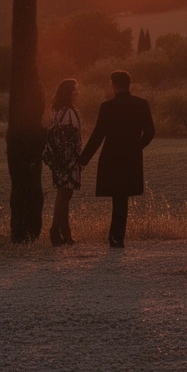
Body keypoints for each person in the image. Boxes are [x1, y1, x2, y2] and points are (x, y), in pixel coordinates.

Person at [79, 70, 155, 248]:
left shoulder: (107, 107)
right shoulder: (141, 104)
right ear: (129, 84)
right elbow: (150, 132)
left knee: (117, 197)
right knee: (122, 198)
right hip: (131, 159)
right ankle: (117, 237)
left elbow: (98, 135)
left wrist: (83, 159)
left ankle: (115, 237)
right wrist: (137, 147)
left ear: (114, 85)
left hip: (111, 158)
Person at [41, 78, 83, 247]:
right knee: (64, 196)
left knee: (64, 196)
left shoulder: (58, 111)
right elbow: (70, 140)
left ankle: (66, 234)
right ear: (68, 92)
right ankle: (55, 232)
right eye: (74, 89)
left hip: (59, 161)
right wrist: (76, 160)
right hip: (68, 161)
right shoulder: (68, 112)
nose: (77, 92)